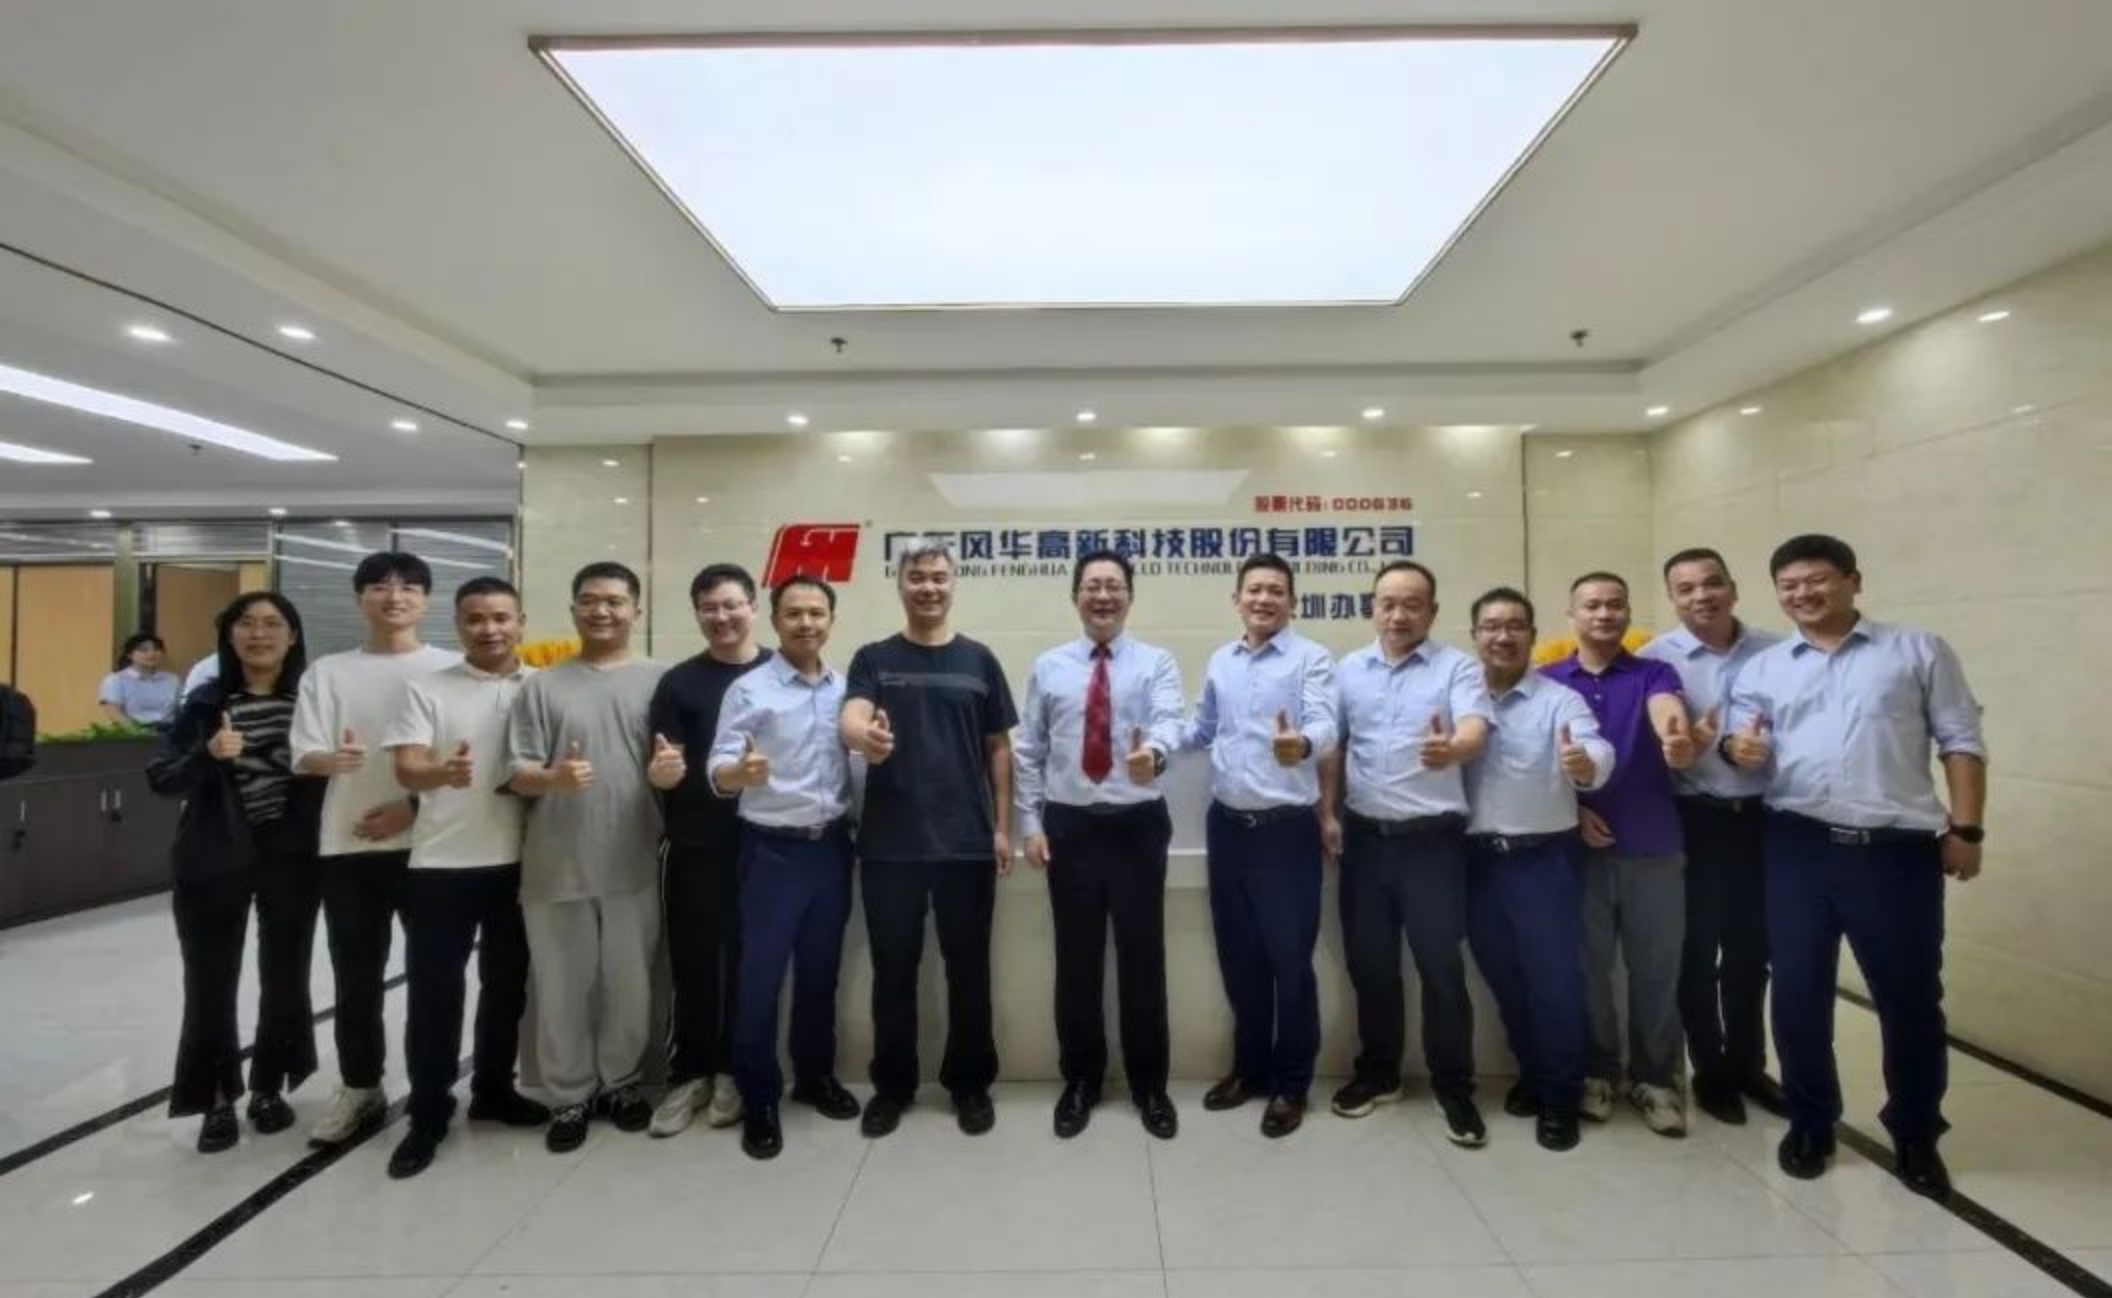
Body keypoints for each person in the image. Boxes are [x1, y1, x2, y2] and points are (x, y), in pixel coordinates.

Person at [1726, 534, 1986, 1198]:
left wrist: (1966, 828)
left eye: (1817, 580)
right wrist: (1736, 750)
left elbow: (1960, 739)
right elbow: (1740, 738)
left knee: (1909, 998)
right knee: (1798, 990)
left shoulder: (1917, 651)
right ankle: (1811, 1121)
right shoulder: (1764, 668)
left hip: (1894, 852)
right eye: (1789, 586)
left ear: (1853, 580)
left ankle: (1916, 1132)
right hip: (1797, 845)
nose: (1803, 594)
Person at [839, 538, 1017, 1138]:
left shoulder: (979, 660)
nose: (929, 587)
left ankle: (970, 1084)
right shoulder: (873, 657)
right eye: (917, 577)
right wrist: (865, 736)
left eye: (939, 576)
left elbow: (999, 749)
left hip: (966, 844)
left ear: (953, 582)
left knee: (969, 971)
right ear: (900, 583)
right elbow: (851, 717)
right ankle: (893, 1087)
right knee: (894, 972)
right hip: (891, 846)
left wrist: (1001, 828)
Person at [380, 576, 550, 1179]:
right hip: (441, 865)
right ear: (458, 626)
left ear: (521, 623)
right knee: (435, 995)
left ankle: (493, 1091)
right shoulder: (426, 689)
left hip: (522, 864)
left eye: (501, 617)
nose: (490, 629)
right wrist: (440, 775)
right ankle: (427, 1112)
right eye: (475, 618)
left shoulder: (542, 686)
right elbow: (407, 767)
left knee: (507, 987)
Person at [1319, 560, 1492, 1146]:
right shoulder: (1349, 669)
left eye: (1412, 604)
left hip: (1433, 844)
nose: (1398, 615)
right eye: (1387, 603)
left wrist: (1454, 750)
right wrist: (1327, 812)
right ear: (1372, 607)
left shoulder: (1457, 668)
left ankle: (1454, 1086)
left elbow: (1475, 729)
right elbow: (1336, 746)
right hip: (1366, 841)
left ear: (1432, 612)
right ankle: (1379, 1073)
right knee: (1371, 964)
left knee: (1440, 967)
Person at [1014, 549, 1184, 1141]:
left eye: (1114, 586)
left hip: (1137, 825)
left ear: (1129, 596)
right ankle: (1081, 1082)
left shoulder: (1156, 662)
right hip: (1071, 828)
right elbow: (1029, 750)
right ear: (1076, 596)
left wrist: (1153, 754)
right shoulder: (1050, 666)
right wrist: (1030, 825)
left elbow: (1170, 720)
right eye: (1092, 586)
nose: (1103, 595)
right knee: (1077, 962)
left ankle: (1149, 1085)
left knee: (1143, 960)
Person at [289, 552, 457, 1147]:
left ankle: (432, 1090)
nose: (395, 597)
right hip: (350, 844)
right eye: (380, 587)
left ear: (427, 601)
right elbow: (304, 752)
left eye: (409, 587)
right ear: (359, 598)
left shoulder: (451, 668)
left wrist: (409, 806)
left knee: (434, 977)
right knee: (355, 975)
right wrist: (331, 760)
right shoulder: (328, 672)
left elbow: (470, 759)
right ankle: (360, 1086)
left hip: (435, 845)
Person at [145, 592, 324, 1152]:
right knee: (210, 984)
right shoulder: (204, 702)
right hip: (212, 856)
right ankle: (216, 1099)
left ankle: (268, 1087)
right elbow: (161, 777)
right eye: (246, 623)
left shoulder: (312, 702)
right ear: (228, 635)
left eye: (273, 623)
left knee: (286, 977)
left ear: (293, 636)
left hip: (291, 856)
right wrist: (208, 755)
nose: (259, 633)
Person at [508, 561, 668, 1153]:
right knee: (561, 985)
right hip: (556, 862)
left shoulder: (661, 681)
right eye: (590, 600)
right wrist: (552, 778)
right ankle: (569, 1095)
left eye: (615, 601)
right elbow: (516, 772)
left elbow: (675, 766)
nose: (602, 611)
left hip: (634, 858)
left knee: (630, 984)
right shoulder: (541, 686)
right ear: (574, 609)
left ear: (636, 611)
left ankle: (621, 1083)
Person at [708, 575, 864, 1160]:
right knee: (761, 980)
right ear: (774, 621)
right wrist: (738, 775)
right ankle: (759, 1097)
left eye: (817, 613)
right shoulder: (749, 690)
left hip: (832, 848)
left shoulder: (848, 690)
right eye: (794, 613)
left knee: (821, 973)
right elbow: (719, 764)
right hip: (771, 852)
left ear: (831, 621)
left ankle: (815, 1077)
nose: (806, 623)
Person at [1184, 553, 1338, 1138]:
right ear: (1237, 600)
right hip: (1227, 827)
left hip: (1285, 832)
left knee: (1289, 962)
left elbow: (1326, 724)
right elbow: (1202, 729)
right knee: (1240, 959)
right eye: (1254, 590)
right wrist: (1153, 741)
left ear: (1292, 602)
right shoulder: (1222, 659)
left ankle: (1291, 1084)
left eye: (1276, 591)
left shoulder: (1311, 658)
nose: (1264, 599)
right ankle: (1249, 1070)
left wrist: (1302, 743)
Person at [1540, 572, 1696, 1137]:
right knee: (1588, 969)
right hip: (1577, 848)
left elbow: (1665, 713)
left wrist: (1676, 740)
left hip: (1654, 844)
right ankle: (1598, 1072)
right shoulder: (1548, 681)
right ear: (1571, 615)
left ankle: (1656, 1079)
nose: (1604, 614)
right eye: (1592, 605)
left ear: (1628, 613)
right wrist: (1575, 809)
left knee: (1657, 969)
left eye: (1615, 605)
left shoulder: (1654, 673)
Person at [1460, 587, 1612, 1152]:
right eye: (1491, 626)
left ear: (1532, 634)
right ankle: (1533, 1071)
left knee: (1554, 983)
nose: (1502, 636)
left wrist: (1583, 764)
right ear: (1474, 635)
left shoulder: (1560, 700)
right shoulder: (1460, 699)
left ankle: (1561, 1096)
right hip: (1476, 862)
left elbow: (1596, 751)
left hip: (1543, 860)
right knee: (1504, 978)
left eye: (1515, 625)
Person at [1640, 548, 1786, 1125]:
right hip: (1694, 819)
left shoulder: (1779, 652)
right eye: (1686, 589)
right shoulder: (1655, 661)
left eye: (1711, 583)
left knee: (1752, 951)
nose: (1701, 596)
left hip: (1764, 819)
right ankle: (1711, 1071)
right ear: (1672, 599)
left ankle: (1749, 1065)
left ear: (1733, 587)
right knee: (1696, 952)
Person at [646, 563, 773, 1138]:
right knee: (694, 961)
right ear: (697, 614)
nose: (721, 617)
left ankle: (733, 1071)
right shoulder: (679, 683)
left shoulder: (782, 673)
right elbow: (663, 764)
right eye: (709, 608)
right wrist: (663, 775)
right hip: (696, 842)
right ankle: (689, 1073)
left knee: (751, 963)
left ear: (753, 607)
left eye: (731, 605)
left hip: (765, 843)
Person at [99, 632, 180, 727]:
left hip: (168, 730)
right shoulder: (116, 679)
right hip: (131, 732)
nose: (151, 653)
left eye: (156, 649)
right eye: (144, 650)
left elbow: (181, 708)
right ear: (130, 655)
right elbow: (112, 711)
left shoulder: (172, 679)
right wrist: (137, 731)